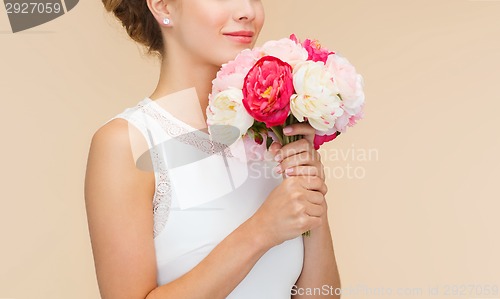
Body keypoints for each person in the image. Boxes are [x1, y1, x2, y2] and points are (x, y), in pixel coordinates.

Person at [84, 0, 341, 298]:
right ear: (163, 6)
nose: (247, 11)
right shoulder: (127, 142)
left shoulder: (277, 135)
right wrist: (261, 231)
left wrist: (311, 199)